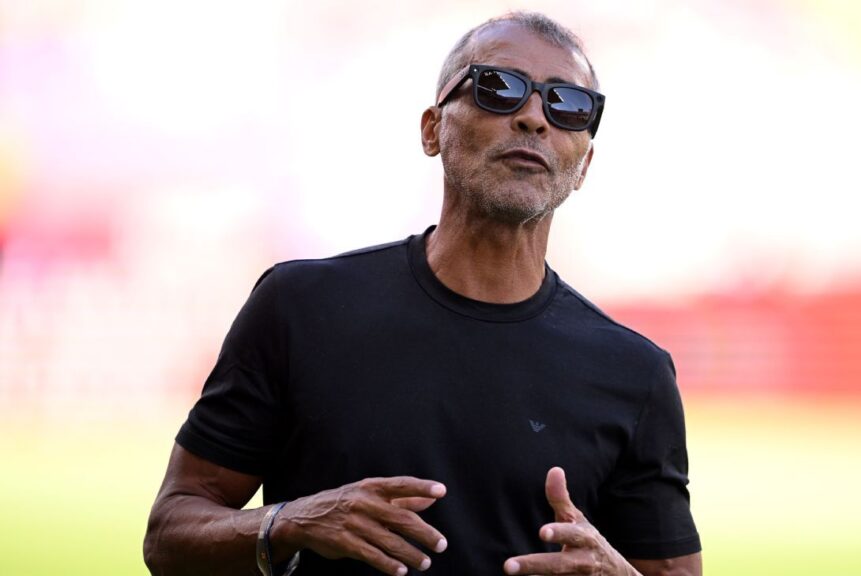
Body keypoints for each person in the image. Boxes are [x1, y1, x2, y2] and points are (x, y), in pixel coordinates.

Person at [144, 11, 702, 576]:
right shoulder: (299, 307)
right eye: (499, 88)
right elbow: (168, 535)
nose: (534, 117)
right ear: (433, 129)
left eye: (569, 105)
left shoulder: (635, 374)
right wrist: (291, 521)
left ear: (583, 165)